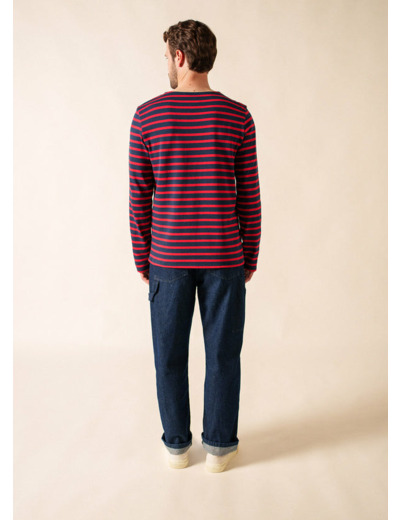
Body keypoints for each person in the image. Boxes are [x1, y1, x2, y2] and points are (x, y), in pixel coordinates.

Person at [128, 19, 262, 472]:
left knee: (168, 357)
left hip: (167, 260)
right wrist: (250, 255)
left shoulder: (147, 116)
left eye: (167, 56)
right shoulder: (237, 116)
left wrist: (142, 258)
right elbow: (249, 196)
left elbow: (139, 197)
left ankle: (177, 448)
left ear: (180, 57)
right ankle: (220, 449)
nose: (166, 64)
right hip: (225, 258)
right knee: (223, 356)